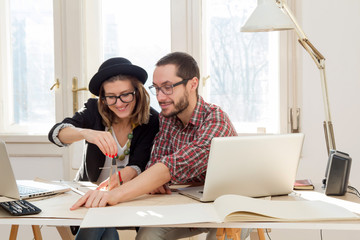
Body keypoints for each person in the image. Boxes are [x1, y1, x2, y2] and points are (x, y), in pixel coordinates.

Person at [71, 52, 245, 239]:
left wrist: (116, 194)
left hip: (230, 205)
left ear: (193, 84)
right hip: (190, 203)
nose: (161, 97)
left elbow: (170, 167)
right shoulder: (167, 118)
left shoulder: (215, 120)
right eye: (157, 88)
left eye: (168, 88)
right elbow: (155, 166)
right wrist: (156, 179)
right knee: (146, 235)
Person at [48, 57, 159, 239]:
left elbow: (139, 164)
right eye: (111, 97)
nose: (119, 103)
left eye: (125, 94)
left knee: (96, 221)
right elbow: (55, 134)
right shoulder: (94, 111)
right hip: (90, 194)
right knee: (99, 223)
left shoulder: (152, 120)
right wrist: (86, 133)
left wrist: (120, 180)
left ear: (137, 92)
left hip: (129, 197)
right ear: (103, 97)